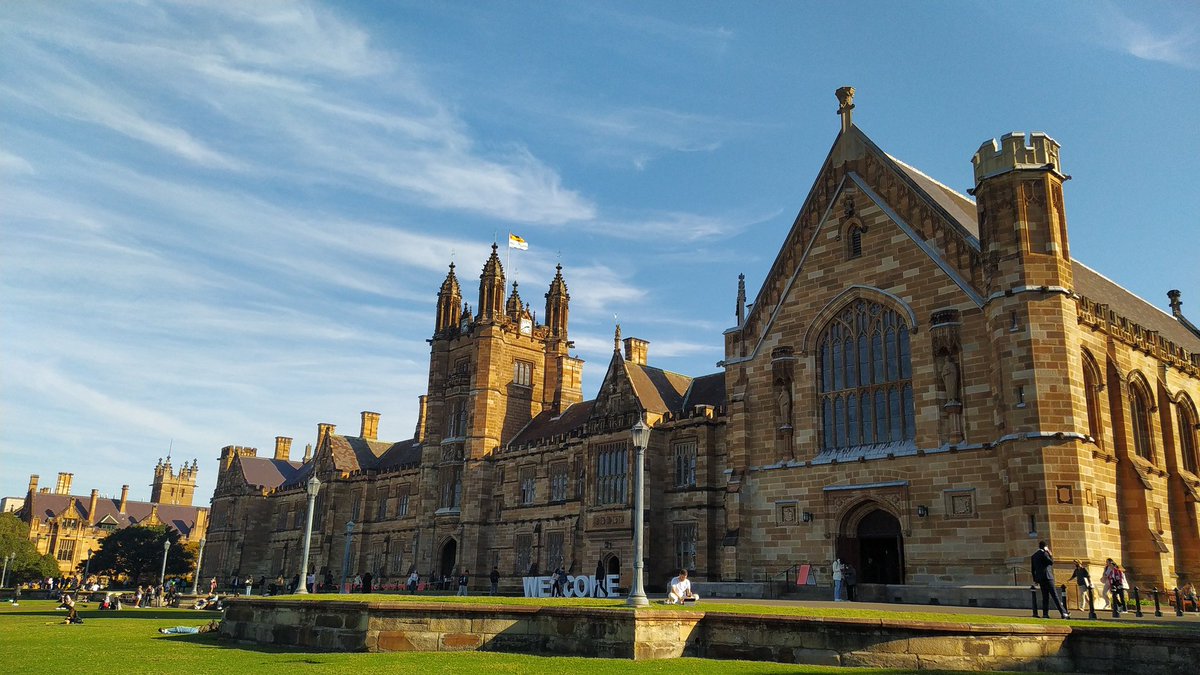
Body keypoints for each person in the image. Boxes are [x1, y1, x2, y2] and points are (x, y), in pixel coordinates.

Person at [1031, 541, 1069, 619]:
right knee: (1055, 596)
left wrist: (1035, 579)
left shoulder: (1034, 556)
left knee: (1045, 597)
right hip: (1048, 578)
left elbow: (1033, 570)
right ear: (1045, 547)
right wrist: (1050, 554)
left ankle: (1045, 614)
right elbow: (1051, 562)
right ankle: (1063, 613)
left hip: (1041, 579)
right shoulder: (1044, 554)